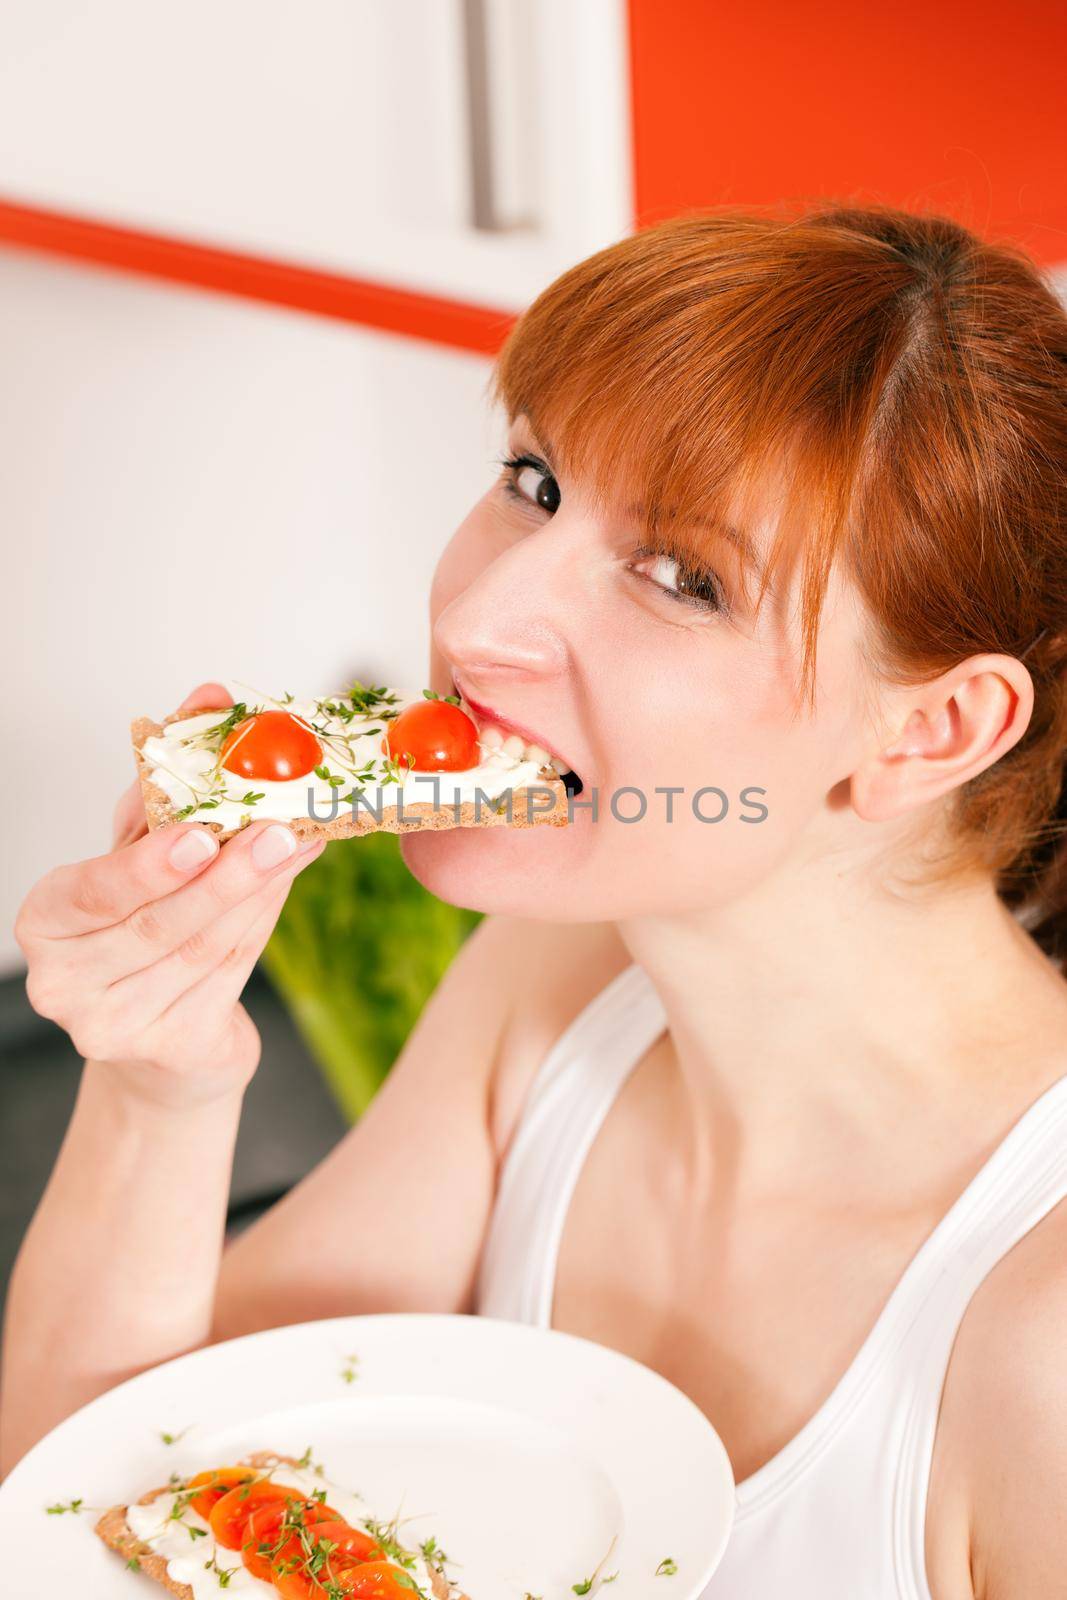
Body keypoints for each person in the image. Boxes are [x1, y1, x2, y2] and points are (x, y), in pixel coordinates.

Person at [4, 204, 1067, 1599]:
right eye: (535, 479)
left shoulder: (1038, 1338)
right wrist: (163, 1086)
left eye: (685, 579)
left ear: (928, 735)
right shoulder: (555, 990)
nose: (481, 617)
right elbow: (99, 1506)